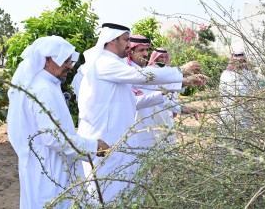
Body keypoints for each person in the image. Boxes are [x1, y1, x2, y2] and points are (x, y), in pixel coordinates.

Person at [77, 23, 207, 203]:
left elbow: (137, 97)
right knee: (104, 195)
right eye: (125, 40)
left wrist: (183, 83)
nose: (128, 45)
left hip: (120, 139)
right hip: (105, 141)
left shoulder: (115, 66)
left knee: (124, 193)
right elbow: (142, 76)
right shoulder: (104, 63)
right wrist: (181, 72)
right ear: (112, 40)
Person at [7, 36, 109, 209]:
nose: (70, 66)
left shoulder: (48, 84)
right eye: (66, 61)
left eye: (71, 61)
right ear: (47, 60)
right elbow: (53, 138)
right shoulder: (43, 89)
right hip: (50, 169)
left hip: (50, 165)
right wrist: (93, 146)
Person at [219, 49, 259, 131]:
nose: (239, 62)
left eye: (241, 60)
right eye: (236, 60)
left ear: (244, 61)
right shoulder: (225, 74)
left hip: (245, 114)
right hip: (228, 113)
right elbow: (222, 94)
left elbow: (256, 94)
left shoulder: (251, 75)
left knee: (243, 138)